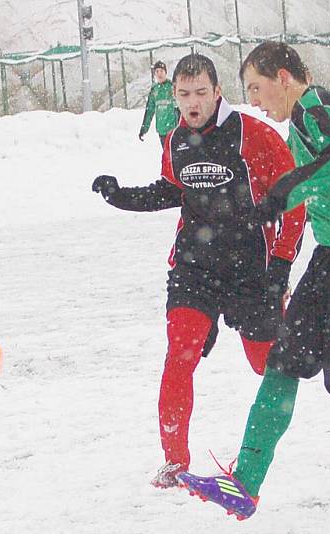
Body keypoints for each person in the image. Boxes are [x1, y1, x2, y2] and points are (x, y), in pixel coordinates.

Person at [177, 41, 330, 520]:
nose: (253, 99)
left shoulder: (317, 110)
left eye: (256, 86)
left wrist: (294, 191)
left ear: (283, 79)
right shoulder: (309, 121)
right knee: (285, 361)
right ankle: (244, 484)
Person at [92, 53, 306, 489]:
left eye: (201, 94)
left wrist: (281, 265)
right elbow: (173, 189)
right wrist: (122, 196)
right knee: (179, 356)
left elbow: (296, 199)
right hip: (196, 267)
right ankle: (175, 461)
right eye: (184, 94)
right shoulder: (174, 140)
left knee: (270, 366)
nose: (192, 103)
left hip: (251, 270)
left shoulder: (253, 134)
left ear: (218, 92)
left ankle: (266, 445)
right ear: (174, 96)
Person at [138, 60, 180, 147]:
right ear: (154, 74)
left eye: (161, 71)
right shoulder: (155, 90)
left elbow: (180, 106)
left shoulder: (172, 87)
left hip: (173, 129)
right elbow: (149, 110)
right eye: (157, 71)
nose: (159, 73)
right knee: (166, 155)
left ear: (166, 72)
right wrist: (144, 128)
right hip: (161, 129)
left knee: (174, 155)